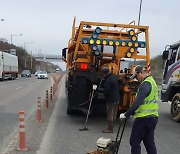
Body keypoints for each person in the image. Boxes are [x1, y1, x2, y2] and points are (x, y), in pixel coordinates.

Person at [120, 65, 159, 154]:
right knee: (149, 142)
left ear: (141, 72)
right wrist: (134, 112)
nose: (137, 79)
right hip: (153, 118)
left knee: (134, 141)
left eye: (136, 76)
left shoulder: (145, 84)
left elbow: (137, 102)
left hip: (143, 119)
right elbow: (146, 103)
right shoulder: (152, 81)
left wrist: (126, 114)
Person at [98, 66, 120, 133]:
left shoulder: (108, 80)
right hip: (117, 98)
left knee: (110, 114)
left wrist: (97, 89)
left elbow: (106, 90)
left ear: (104, 73)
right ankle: (111, 126)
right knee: (114, 114)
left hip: (111, 100)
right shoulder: (113, 77)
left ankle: (110, 129)